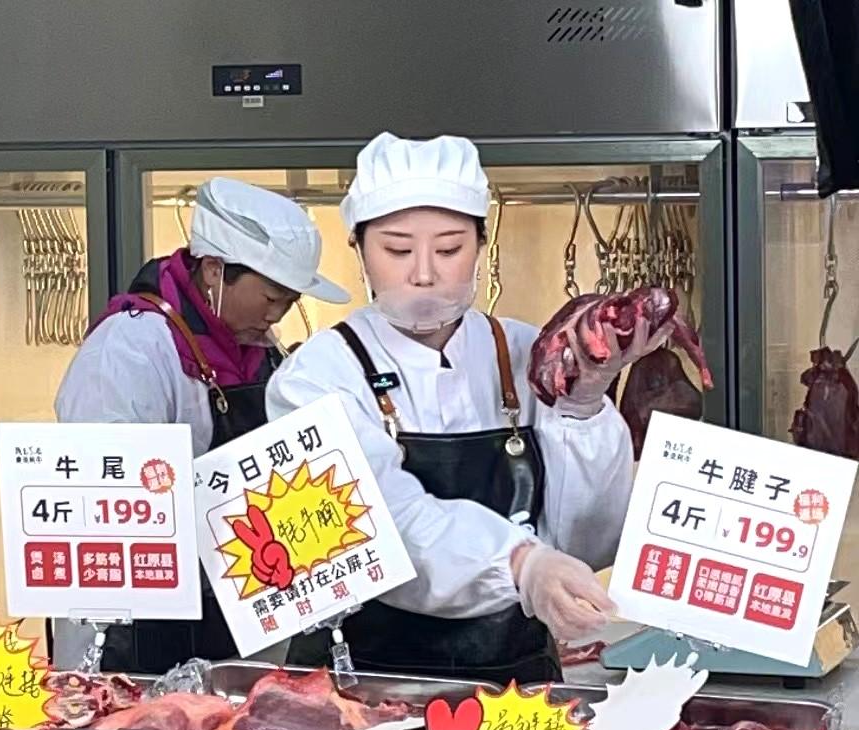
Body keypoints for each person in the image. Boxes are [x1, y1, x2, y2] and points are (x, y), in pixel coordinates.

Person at [267, 133, 659, 684]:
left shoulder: (531, 353)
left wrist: (584, 407)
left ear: (482, 242)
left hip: (517, 684)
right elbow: (387, 523)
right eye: (397, 250)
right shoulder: (315, 376)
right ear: (358, 249)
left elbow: (585, 542)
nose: (424, 272)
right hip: (359, 688)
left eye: (449, 248)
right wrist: (520, 563)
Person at [53, 177, 349, 672]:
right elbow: (107, 504)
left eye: (289, 302)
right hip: (138, 628)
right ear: (214, 270)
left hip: (232, 610)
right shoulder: (131, 349)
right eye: (270, 297)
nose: (277, 315)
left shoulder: (257, 349)